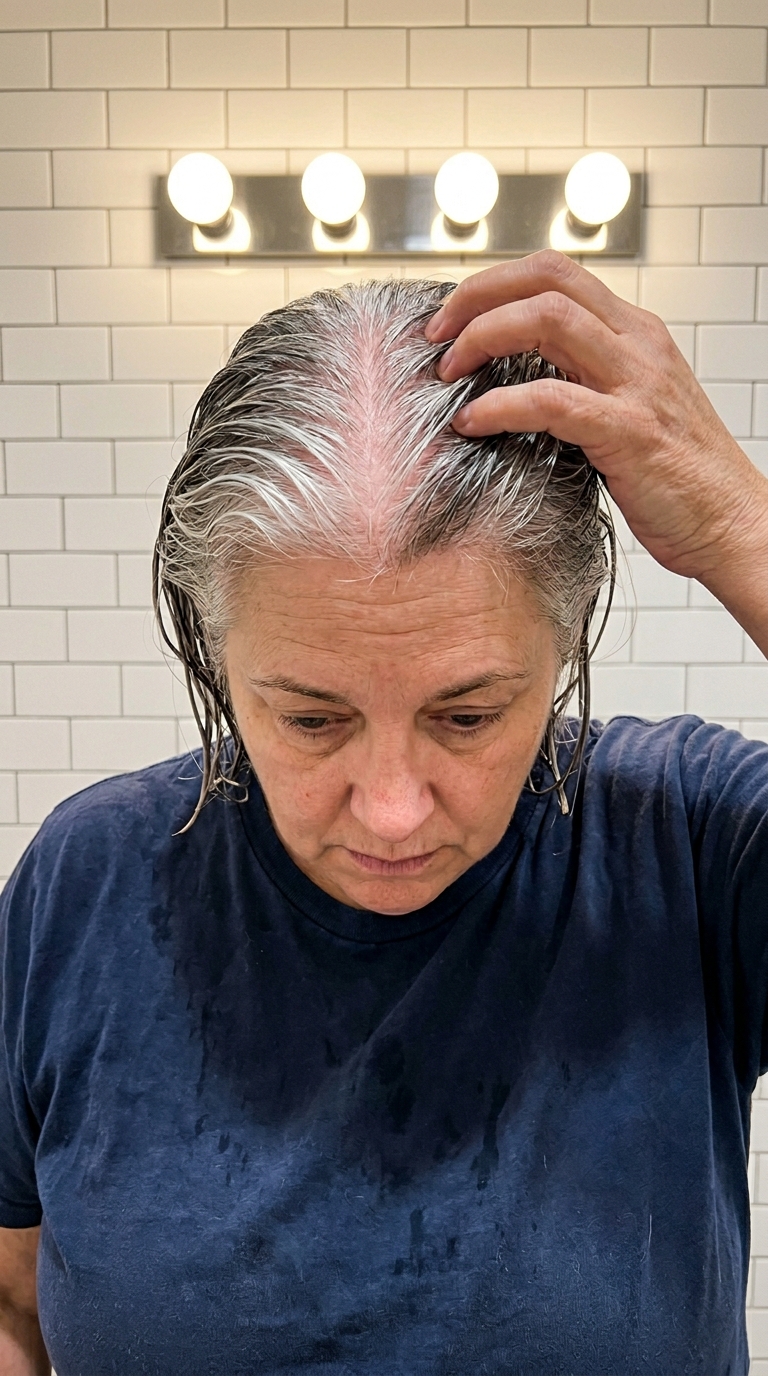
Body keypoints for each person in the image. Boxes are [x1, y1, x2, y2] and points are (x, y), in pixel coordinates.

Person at [1, 250, 767, 1376]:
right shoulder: (89, 879)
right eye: (312, 720)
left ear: (563, 648)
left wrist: (742, 527)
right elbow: (13, 1293)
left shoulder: (692, 848)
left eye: (469, 715)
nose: (395, 812)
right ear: (217, 656)